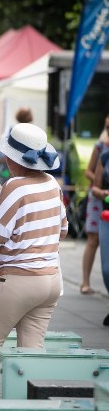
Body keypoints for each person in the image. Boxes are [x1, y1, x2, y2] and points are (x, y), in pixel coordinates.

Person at [0, 123, 67, 399]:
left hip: (19, 279)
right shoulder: (53, 184)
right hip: (51, 280)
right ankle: (31, 409)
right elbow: (63, 229)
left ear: (12, 158)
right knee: (31, 350)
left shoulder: (14, 187)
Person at [81, 114, 109, 295]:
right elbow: (88, 172)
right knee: (93, 240)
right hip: (98, 199)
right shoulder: (101, 147)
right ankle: (85, 282)